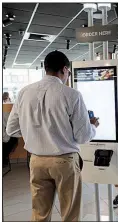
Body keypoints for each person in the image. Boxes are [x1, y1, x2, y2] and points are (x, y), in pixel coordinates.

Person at [6, 50, 99, 221]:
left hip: (36, 161)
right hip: (64, 161)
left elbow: (11, 130)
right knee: (70, 214)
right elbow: (83, 136)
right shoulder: (71, 95)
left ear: (45, 68)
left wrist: (32, 132)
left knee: (39, 214)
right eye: (68, 72)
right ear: (64, 69)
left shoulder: (24, 92)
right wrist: (93, 126)